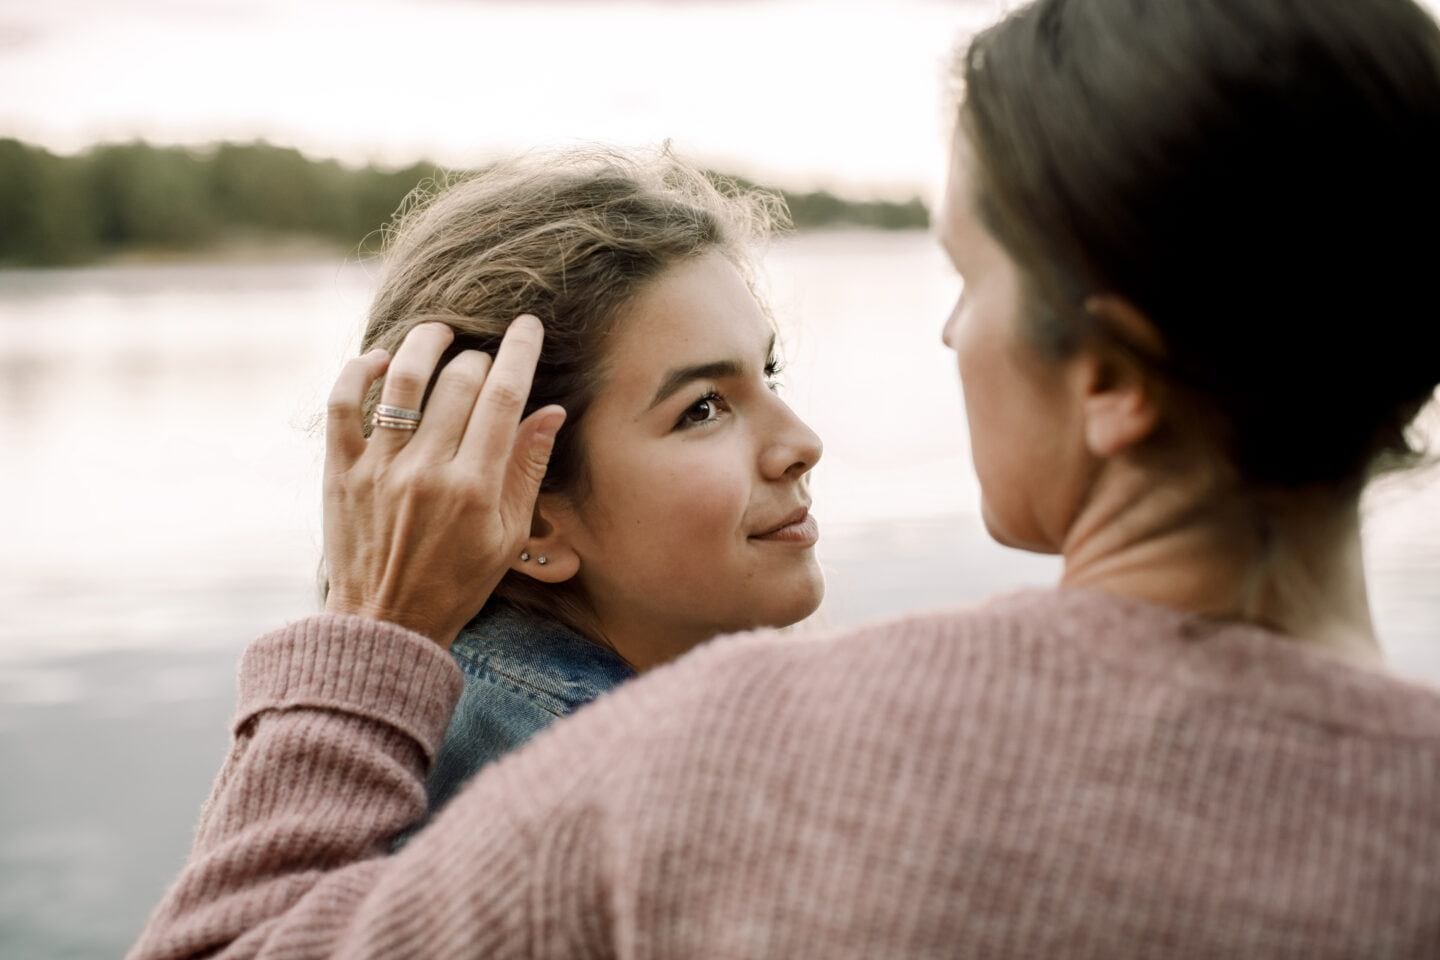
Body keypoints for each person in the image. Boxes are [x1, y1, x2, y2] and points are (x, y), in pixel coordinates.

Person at [129, 0, 1440, 956]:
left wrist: (362, 634)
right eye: (707, 401)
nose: (948, 334)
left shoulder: (737, 762)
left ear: (1111, 375)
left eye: (970, 274)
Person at [345, 151, 825, 816]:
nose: (802, 445)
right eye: (702, 408)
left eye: (768, 373)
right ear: (532, 517)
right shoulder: (598, 800)